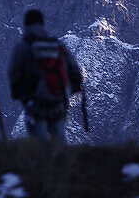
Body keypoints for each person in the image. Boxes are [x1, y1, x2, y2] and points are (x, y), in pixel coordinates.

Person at [8, 8, 83, 141]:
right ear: (42, 24)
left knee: (39, 141)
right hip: (57, 100)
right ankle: (63, 160)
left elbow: (14, 73)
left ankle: (43, 160)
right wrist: (67, 92)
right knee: (59, 137)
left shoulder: (23, 46)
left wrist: (20, 95)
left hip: (35, 102)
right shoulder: (56, 44)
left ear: (26, 25)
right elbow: (75, 71)